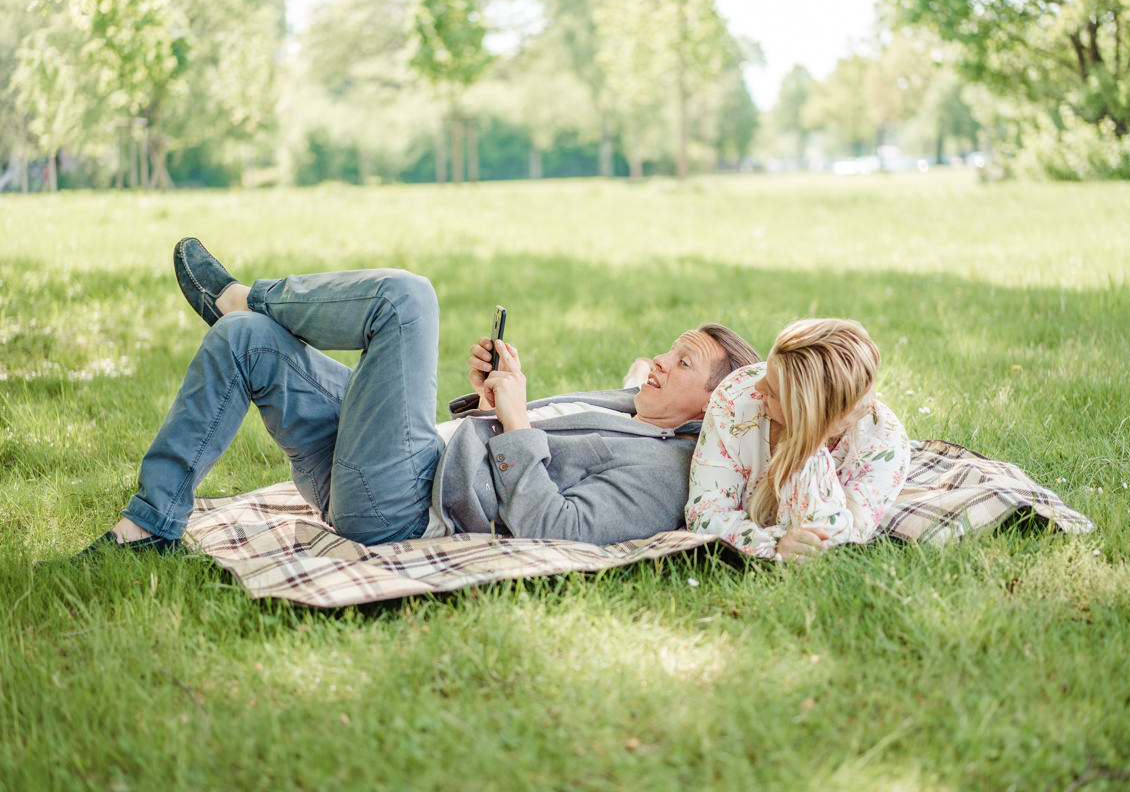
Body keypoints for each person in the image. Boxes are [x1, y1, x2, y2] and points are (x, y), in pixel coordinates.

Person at [82, 238, 761, 555]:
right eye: (670, 351)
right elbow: (513, 448)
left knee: (408, 298)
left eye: (683, 362)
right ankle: (150, 524)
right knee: (246, 340)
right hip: (387, 465)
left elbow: (561, 531)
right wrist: (493, 405)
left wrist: (517, 417)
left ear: (714, 405)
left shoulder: (667, 472)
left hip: (403, 501)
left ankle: (238, 292)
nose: (661, 364)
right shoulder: (631, 408)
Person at [685, 318, 910, 562]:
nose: (758, 386)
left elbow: (835, 540)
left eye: (772, 392)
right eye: (766, 372)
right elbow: (704, 514)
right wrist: (774, 544)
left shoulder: (884, 444)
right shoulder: (737, 396)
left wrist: (813, 443)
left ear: (805, 414)